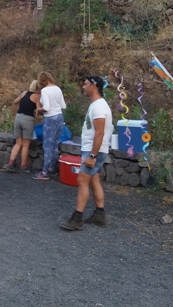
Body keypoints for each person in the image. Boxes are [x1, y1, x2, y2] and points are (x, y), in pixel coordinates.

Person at [61, 76, 113, 231]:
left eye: (86, 84)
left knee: (82, 181)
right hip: (93, 150)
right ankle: (100, 214)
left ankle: (77, 218)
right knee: (94, 180)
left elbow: (99, 133)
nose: (83, 87)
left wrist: (93, 156)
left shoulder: (99, 107)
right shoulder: (96, 105)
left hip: (94, 151)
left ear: (94, 86)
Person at [32, 71, 66, 181]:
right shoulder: (57, 89)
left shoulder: (45, 90)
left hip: (50, 119)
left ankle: (44, 172)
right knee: (55, 145)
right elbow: (63, 106)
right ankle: (52, 168)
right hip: (59, 117)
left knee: (47, 146)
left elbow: (46, 108)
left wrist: (38, 110)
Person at [5, 80, 41, 174]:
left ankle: (10, 163)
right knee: (25, 144)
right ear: (38, 88)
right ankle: (23, 166)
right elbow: (38, 110)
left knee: (18, 143)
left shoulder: (24, 93)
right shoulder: (36, 96)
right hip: (28, 120)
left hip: (18, 117)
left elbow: (15, 101)